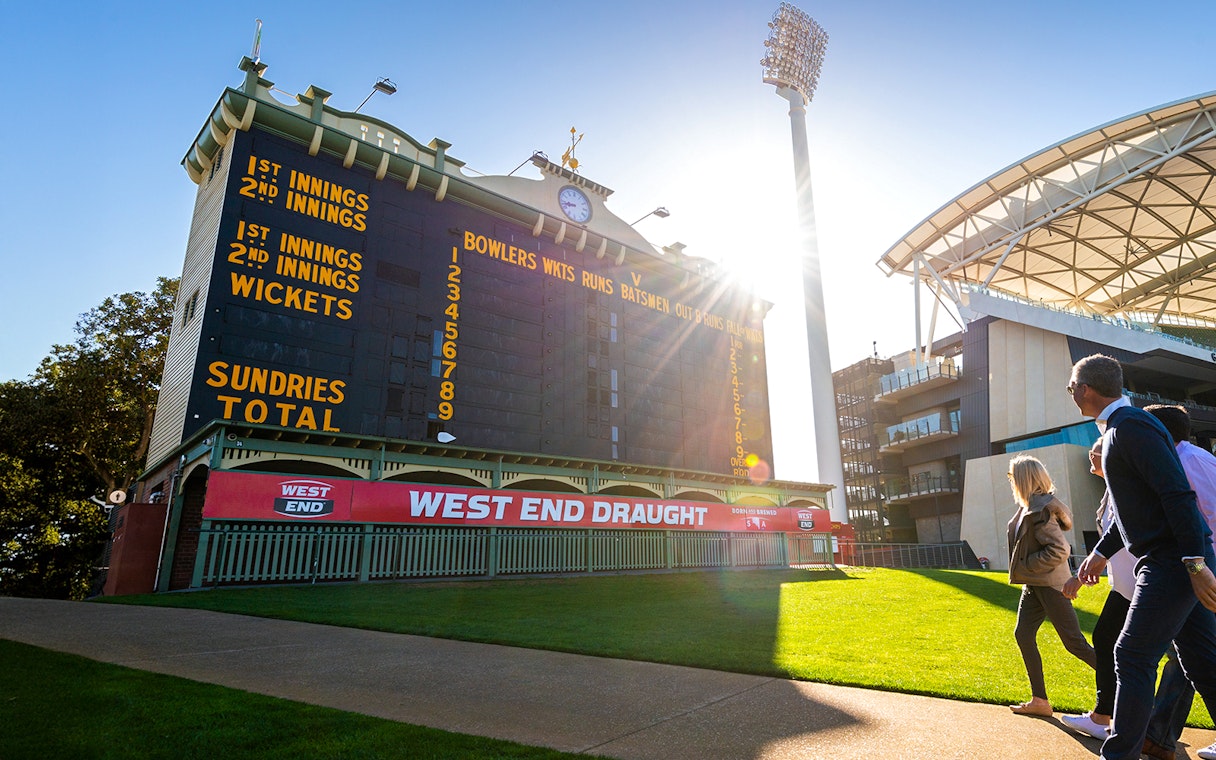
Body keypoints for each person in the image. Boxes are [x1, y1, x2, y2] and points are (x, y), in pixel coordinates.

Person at [1071, 355, 1216, 760]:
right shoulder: (1124, 428)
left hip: (1171, 562)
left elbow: (1177, 494)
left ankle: (1119, 755)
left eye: (1071, 389)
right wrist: (1101, 554)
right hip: (1176, 560)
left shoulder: (1129, 428)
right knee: (1202, 660)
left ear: (1085, 390)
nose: (1072, 395)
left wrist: (1194, 563)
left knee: (1131, 654)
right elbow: (1139, 508)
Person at [1140, 405, 1216, 760]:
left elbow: (1204, 518)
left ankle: (1153, 736)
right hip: (1197, 569)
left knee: (1191, 655)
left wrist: (1198, 566)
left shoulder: (1184, 465)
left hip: (1199, 570)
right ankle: (1157, 735)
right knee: (1189, 655)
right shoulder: (1198, 458)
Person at [1006, 453, 1096, 716]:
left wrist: (1026, 565)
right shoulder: (1029, 506)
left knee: (1075, 643)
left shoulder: (1041, 509)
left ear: (1023, 478)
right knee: (1023, 634)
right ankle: (1040, 701)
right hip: (1035, 586)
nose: (1010, 481)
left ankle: (1129, 693)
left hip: (1050, 585)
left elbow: (1059, 549)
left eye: (1012, 476)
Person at [1061, 437, 1136, 741]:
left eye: (1094, 454)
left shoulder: (1127, 487)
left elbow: (1120, 534)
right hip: (1124, 585)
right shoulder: (1113, 489)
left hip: (1144, 584)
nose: (1090, 459)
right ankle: (1106, 715)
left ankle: (1119, 718)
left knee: (1187, 657)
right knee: (1107, 639)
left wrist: (1085, 570)